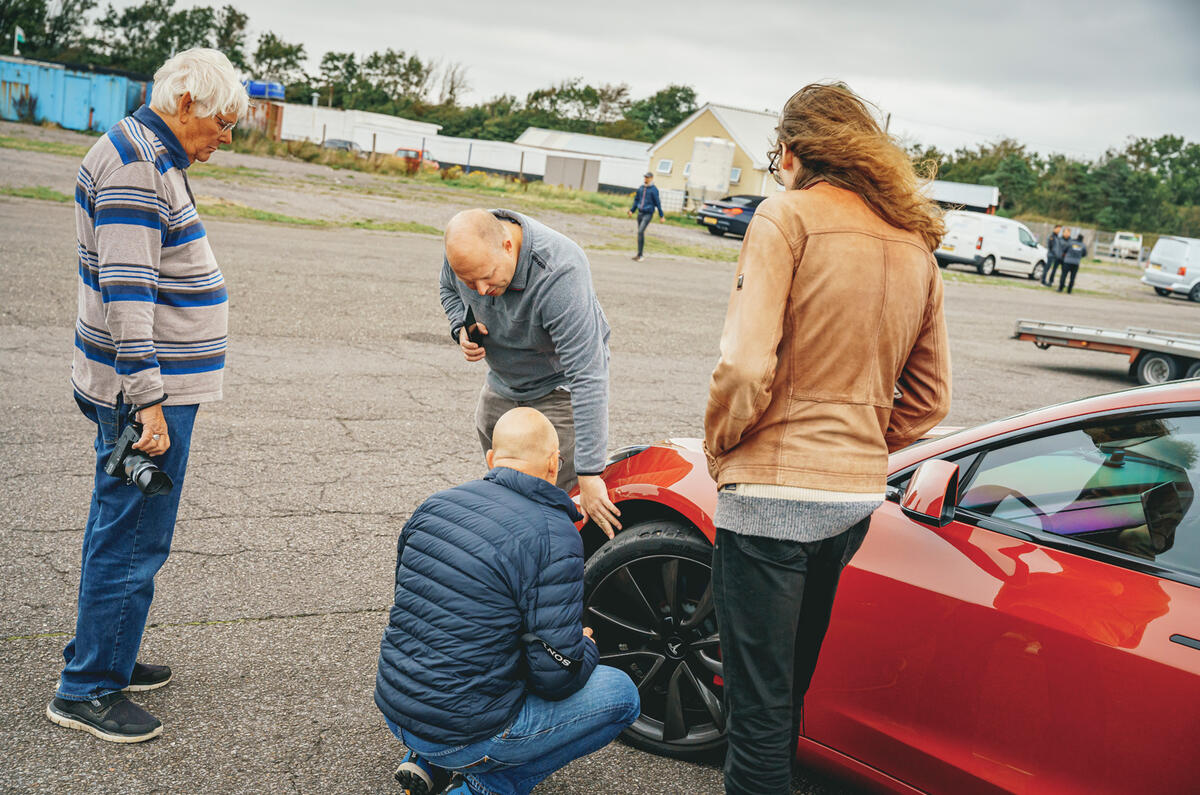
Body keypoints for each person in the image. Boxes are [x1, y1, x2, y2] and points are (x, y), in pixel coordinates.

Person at [703, 82, 952, 795]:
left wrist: (722, 448)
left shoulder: (785, 217)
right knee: (788, 691)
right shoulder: (914, 241)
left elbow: (746, 364)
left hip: (769, 496)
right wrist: (863, 443)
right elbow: (932, 398)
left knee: (755, 709)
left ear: (791, 152)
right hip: (848, 502)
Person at [47, 48, 247, 743]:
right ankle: (89, 686)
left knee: (128, 527)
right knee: (132, 534)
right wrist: (149, 400)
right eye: (223, 122)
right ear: (186, 103)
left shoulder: (150, 154)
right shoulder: (136, 166)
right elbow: (127, 296)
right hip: (142, 390)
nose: (228, 136)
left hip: (140, 383)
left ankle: (109, 652)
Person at [375, 407, 640, 795]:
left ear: (491, 459)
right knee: (621, 694)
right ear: (554, 465)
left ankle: (425, 759)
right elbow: (555, 676)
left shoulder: (434, 505)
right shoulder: (555, 534)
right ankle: (486, 786)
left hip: (396, 706)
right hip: (463, 731)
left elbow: (417, 607)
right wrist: (585, 648)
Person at [439, 208, 622, 537]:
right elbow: (448, 290)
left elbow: (588, 374)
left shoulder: (558, 271)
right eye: (470, 282)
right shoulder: (465, 252)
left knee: (550, 502)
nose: (480, 290)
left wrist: (591, 473)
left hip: (556, 387)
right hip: (502, 383)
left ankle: (556, 571)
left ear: (508, 247)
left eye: (488, 276)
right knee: (507, 487)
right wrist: (461, 328)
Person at [627, 171, 664, 261]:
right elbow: (636, 200)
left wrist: (661, 215)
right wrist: (632, 210)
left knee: (640, 231)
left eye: (647, 177)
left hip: (648, 213)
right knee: (640, 234)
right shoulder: (641, 188)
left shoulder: (654, 190)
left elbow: (658, 203)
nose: (646, 179)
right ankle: (639, 254)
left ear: (651, 178)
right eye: (645, 177)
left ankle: (640, 255)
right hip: (640, 213)